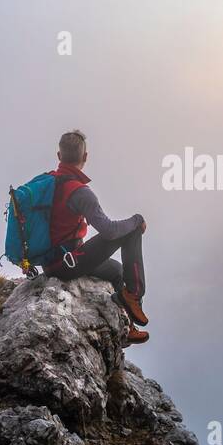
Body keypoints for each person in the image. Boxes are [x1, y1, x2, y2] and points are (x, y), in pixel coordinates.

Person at [42, 130, 150, 345]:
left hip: (50, 262)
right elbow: (109, 230)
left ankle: (127, 326)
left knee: (117, 271)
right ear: (85, 157)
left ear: (59, 156)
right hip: (68, 264)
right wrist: (137, 219)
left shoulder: (47, 184)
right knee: (132, 229)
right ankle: (134, 294)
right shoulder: (79, 191)